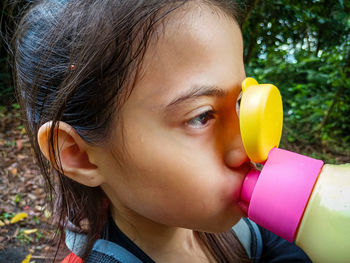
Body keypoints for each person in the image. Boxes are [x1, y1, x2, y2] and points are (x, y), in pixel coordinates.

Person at [12, 0, 312, 262]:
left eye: (240, 103)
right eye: (202, 116)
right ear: (78, 155)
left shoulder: (242, 232)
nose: (247, 145)